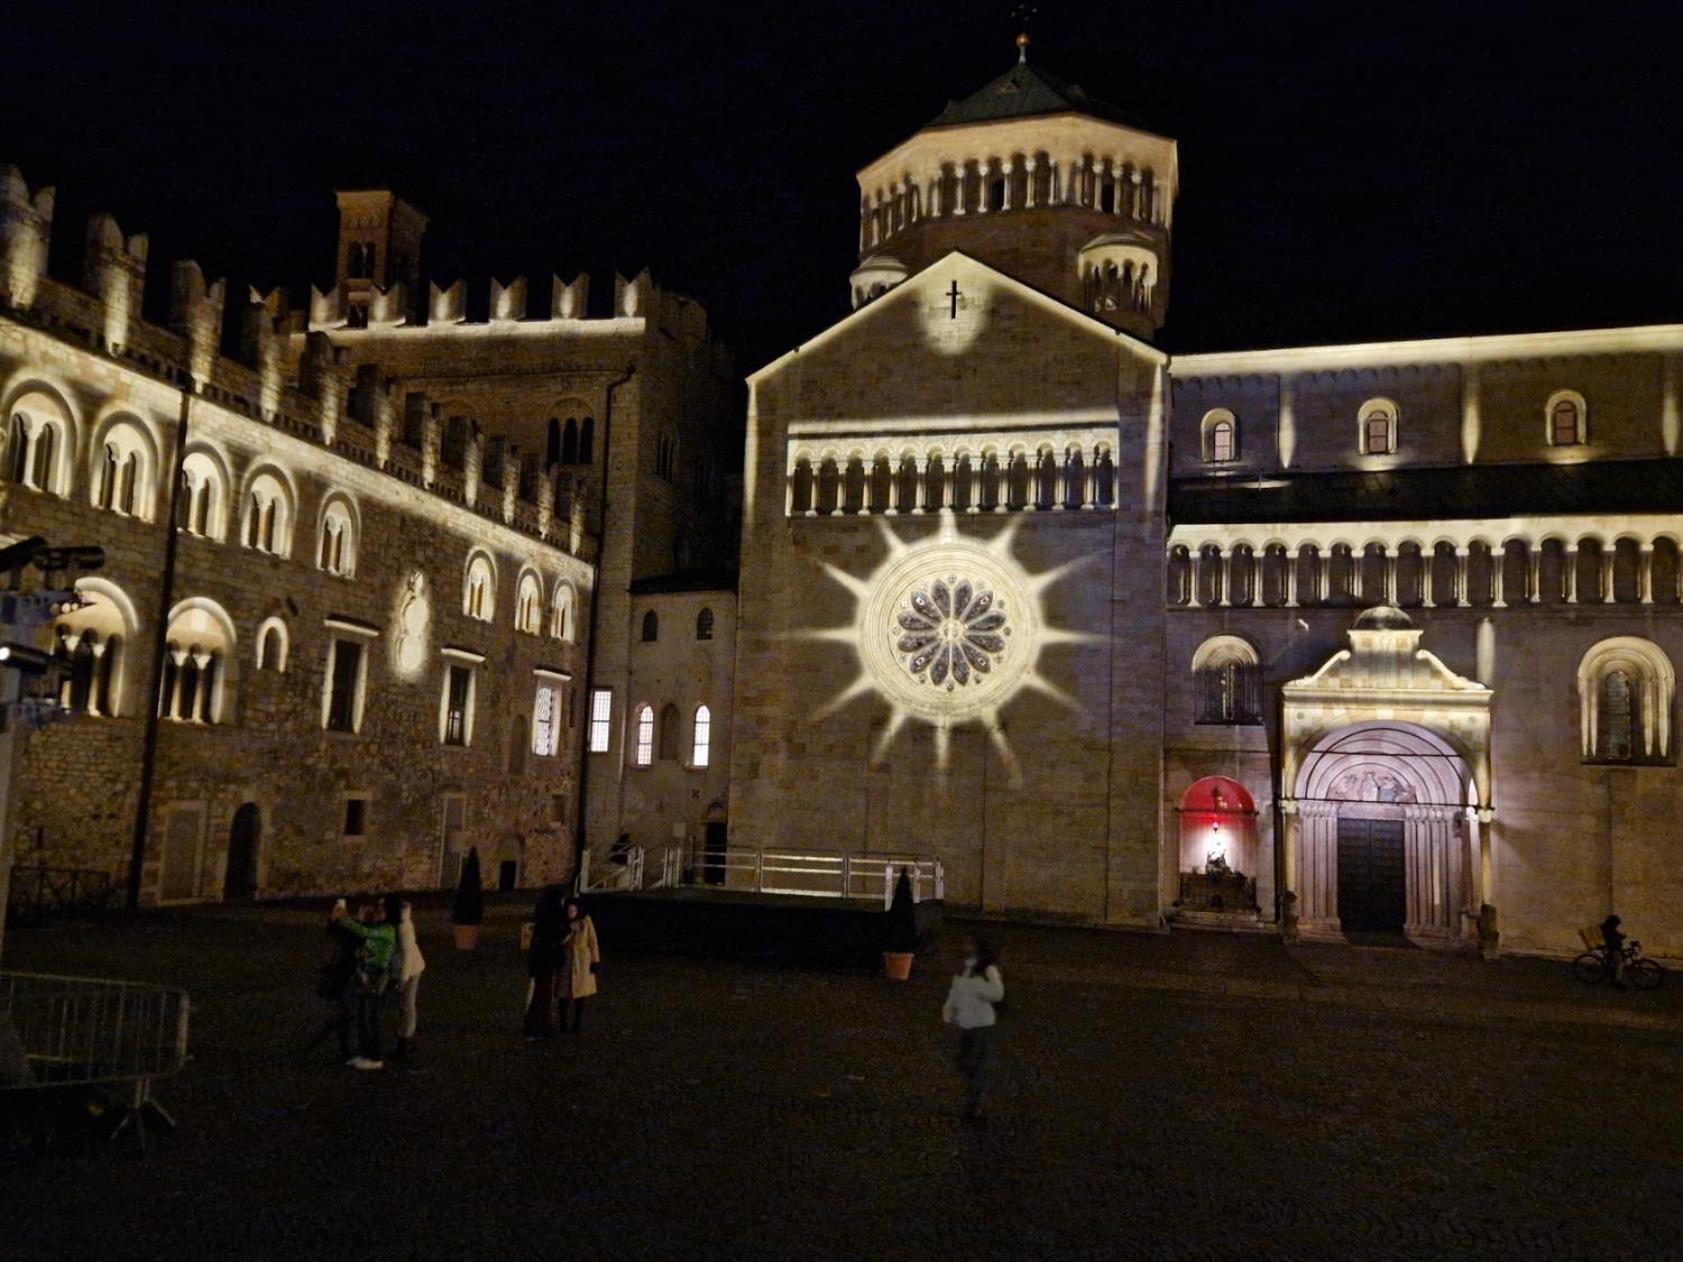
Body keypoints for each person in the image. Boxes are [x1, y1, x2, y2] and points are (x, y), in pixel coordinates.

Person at [942, 936, 1004, 1119]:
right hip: (967, 1023)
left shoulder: (987, 970)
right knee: (965, 1063)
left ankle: (974, 1103)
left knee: (976, 1065)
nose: (965, 946)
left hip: (982, 1024)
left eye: (970, 943)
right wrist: (949, 1011)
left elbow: (997, 993)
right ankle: (972, 1099)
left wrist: (977, 987)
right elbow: (955, 991)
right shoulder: (964, 968)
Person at [333, 897, 398, 1069]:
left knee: (372, 1018)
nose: (377, 913)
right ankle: (364, 1054)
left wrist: (343, 919)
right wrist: (362, 953)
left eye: (381, 910)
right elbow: (369, 947)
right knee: (363, 1016)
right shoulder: (379, 928)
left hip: (376, 978)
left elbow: (364, 933)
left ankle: (375, 1057)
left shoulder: (387, 930)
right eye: (377, 909)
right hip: (367, 975)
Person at [302, 896, 359, 1063]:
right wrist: (336, 918)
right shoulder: (355, 930)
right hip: (344, 978)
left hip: (346, 978)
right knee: (344, 1016)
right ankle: (344, 1051)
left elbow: (337, 930)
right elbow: (334, 930)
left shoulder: (360, 931)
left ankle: (336, 1048)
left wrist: (340, 919)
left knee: (344, 1016)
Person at [524, 886, 567, 1039]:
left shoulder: (542, 920)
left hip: (540, 962)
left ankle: (536, 1026)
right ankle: (539, 1027)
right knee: (543, 996)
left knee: (540, 995)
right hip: (546, 962)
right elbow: (554, 939)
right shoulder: (552, 922)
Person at [386, 895, 425, 1063]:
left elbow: (408, 954)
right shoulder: (396, 924)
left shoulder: (404, 927)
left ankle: (407, 1040)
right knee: (403, 1005)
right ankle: (403, 1036)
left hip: (411, 969)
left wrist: (403, 978)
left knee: (408, 1004)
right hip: (401, 969)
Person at [560, 894, 601, 1032]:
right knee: (563, 993)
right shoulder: (562, 923)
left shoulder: (586, 921)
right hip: (566, 960)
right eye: (569, 911)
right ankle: (563, 1022)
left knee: (580, 993)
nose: (571, 913)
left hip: (582, 961)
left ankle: (578, 1021)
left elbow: (593, 941)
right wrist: (569, 929)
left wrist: (595, 961)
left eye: (573, 911)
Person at [1601, 914, 1628, 987]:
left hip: (1614, 947)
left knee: (1615, 962)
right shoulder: (1608, 929)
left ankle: (1612, 977)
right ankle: (1616, 981)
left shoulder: (1609, 928)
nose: (1617, 926)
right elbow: (1613, 937)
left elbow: (1616, 934)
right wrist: (1620, 937)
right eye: (1616, 924)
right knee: (1619, 963)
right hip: (1613, 948)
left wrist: (1621, 936)